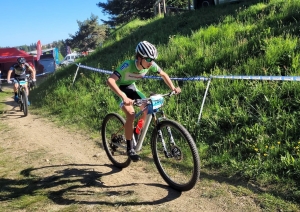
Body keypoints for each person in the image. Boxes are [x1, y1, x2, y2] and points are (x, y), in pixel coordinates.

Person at [107, 41, 181, 162]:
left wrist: (173, 88)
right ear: (139, 57)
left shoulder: (150, 64)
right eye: (148, 59)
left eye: (153, 59)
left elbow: (163, 74)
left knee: (147, 108)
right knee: (130, 114)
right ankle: (130, 148)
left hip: (131, 87)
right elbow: (110, 80)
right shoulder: (127, 65)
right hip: (119, 90)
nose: (151, 62)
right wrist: (123, 97)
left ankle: (135, 133)